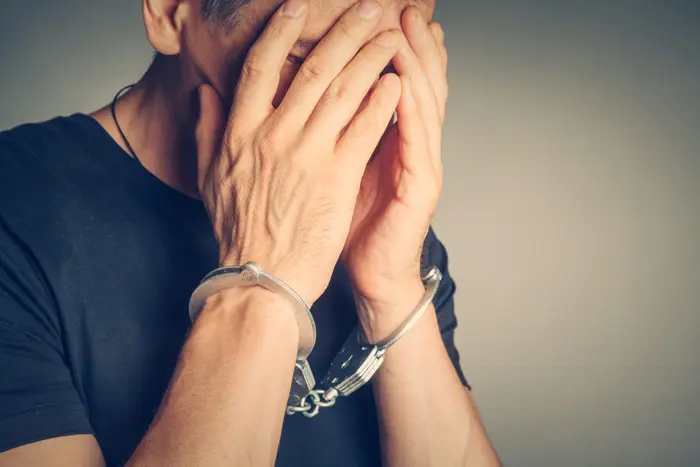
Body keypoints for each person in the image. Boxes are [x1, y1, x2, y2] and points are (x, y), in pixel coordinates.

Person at [0, 0, 500, 465]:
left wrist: (391, 287)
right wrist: (263, 277)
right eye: (313, 60)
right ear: (173, 12)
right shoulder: (16, 211)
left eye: (386, 63)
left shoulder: (381, 214)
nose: (358, 100)